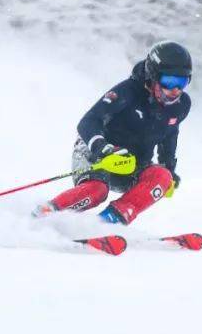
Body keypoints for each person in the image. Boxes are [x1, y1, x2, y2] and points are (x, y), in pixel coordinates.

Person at [34, 41, 192, 225]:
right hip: (98, 155)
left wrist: (169, 167)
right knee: (96, 191)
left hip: (133, 163)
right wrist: (105, 149)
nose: (175, 90)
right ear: (153, 76)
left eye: (182, 82)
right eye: (169, 82)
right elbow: (88, 122)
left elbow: (170, 134)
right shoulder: (128, 92)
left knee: (162, 177)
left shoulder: (181, 105)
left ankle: (107, 223)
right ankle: (46, 214)